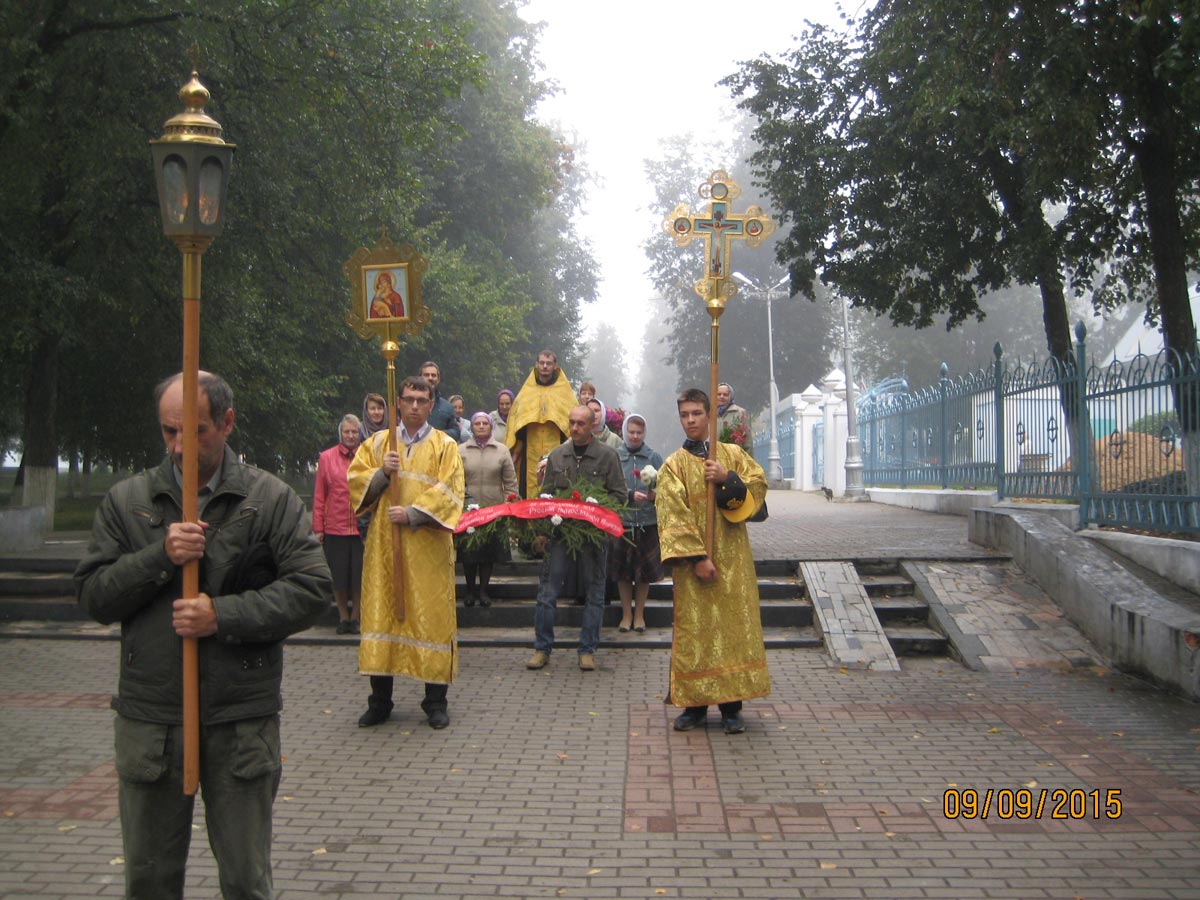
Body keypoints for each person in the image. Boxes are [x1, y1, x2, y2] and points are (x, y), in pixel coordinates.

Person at [75, 371, 332, 900]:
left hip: (239, 722)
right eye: (169, 431)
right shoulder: (130, 501)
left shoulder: (267, 499)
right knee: (148, 881)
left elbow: (312, 589)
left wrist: (223, 615)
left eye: (195, 432)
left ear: (227, 422)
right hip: (152, 722)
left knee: (244, 880)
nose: (179, 447)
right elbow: (94, 596)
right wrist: (159, 556)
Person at [350, 375, 464, 729]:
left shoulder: (445, 446)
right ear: (398, 403)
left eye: (422, 400)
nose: (415, 406)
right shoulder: (378, 444)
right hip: (385, 549)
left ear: (431, 405)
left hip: (428, 552)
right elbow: (355, 482)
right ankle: (380, 702)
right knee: (382, 617)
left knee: (432, 620)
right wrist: (382, 474)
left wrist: (413, 513)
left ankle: (435, 702)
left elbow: (452, 492)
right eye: (409, 399)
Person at [655, 387, 770, 735]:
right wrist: (697, 558)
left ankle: (732, 708)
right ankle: (694, 707)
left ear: (709, 416)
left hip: (734, 563)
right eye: (684, 415)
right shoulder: (673, 466)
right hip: (695, 571)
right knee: (697, 633)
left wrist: (727, 479)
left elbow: (758, 490)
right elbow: (671, 516)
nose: (690, 420)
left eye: (696, 413)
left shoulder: (732, 455)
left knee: (734, 632)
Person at [525, 405, 627, 672]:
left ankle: (587, 650)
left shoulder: (607, 456)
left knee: (595, 592)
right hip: (560, 534)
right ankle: (542, 648)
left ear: (592, 425)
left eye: (581, 423)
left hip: (593, 536)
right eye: (571, 422)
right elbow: (546, 494)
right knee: (547, 592)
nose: (574, 428)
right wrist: (542, 531)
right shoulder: (558, 455)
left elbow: (619, 494)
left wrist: (597, 510)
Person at [609, 413, 664, 633]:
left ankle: (639, 614)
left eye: (639, 432)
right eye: (631, 432)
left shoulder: (653, 457)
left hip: (647, 522)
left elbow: (666, 487)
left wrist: (654, 495)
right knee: (623, 573)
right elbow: (609, 488)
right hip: (622, 522)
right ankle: (626, 614)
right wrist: (629, 495)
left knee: (643, 573)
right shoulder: (615, 456)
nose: (634, 436)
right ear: (624, 432)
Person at [458, 411, 518, 607]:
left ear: (491, 427)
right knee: (469, 553)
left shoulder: (502, 450)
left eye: (485, 423)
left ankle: (483, 591)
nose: (481, 426)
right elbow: (455, 480)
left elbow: (510, 482)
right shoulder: (461, 450)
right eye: (477, 423)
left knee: (487, 553)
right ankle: (470, 591)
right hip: (468, 509)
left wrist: (509, 504)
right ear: (472, 427)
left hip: (493, 509)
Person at [314, 414, 364, 634]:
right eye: (347, 432)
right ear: (340, 433)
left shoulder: (367, 455)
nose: (351, 435)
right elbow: (320, 495)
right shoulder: (326, 458)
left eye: (354, 431)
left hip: (361, 528)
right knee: (339, 577)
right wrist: (318, 527)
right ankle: (343, 617)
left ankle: (356, 617)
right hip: (335, 527)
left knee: (359, 576)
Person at [504, 350, 578, 498]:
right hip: (529, 450)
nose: (545, 366)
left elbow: (572, 425)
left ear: (555, 366)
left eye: (549, 363)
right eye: (542, 363)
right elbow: (519, 426)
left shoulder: (564, 393)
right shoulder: (527, 392)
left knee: (557, 490)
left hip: (558, 449)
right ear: (536, 364)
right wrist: (515, 452)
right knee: (528, 492)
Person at [419, 360, 462, 442]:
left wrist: (436, 434)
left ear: (438, 379)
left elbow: (456, 432)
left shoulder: (447, 407)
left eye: (433, 375)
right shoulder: (411, 403)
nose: (430, 378)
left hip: (439, 448)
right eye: (426, 375)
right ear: (420, 378)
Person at [715, 382, 752, 453]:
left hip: (735, 455)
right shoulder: (709, 414)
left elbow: (748, 441)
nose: (721, 397)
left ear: (731, 396)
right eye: (719, 394)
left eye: (725, 394)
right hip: (714, 456)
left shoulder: (740, 413)